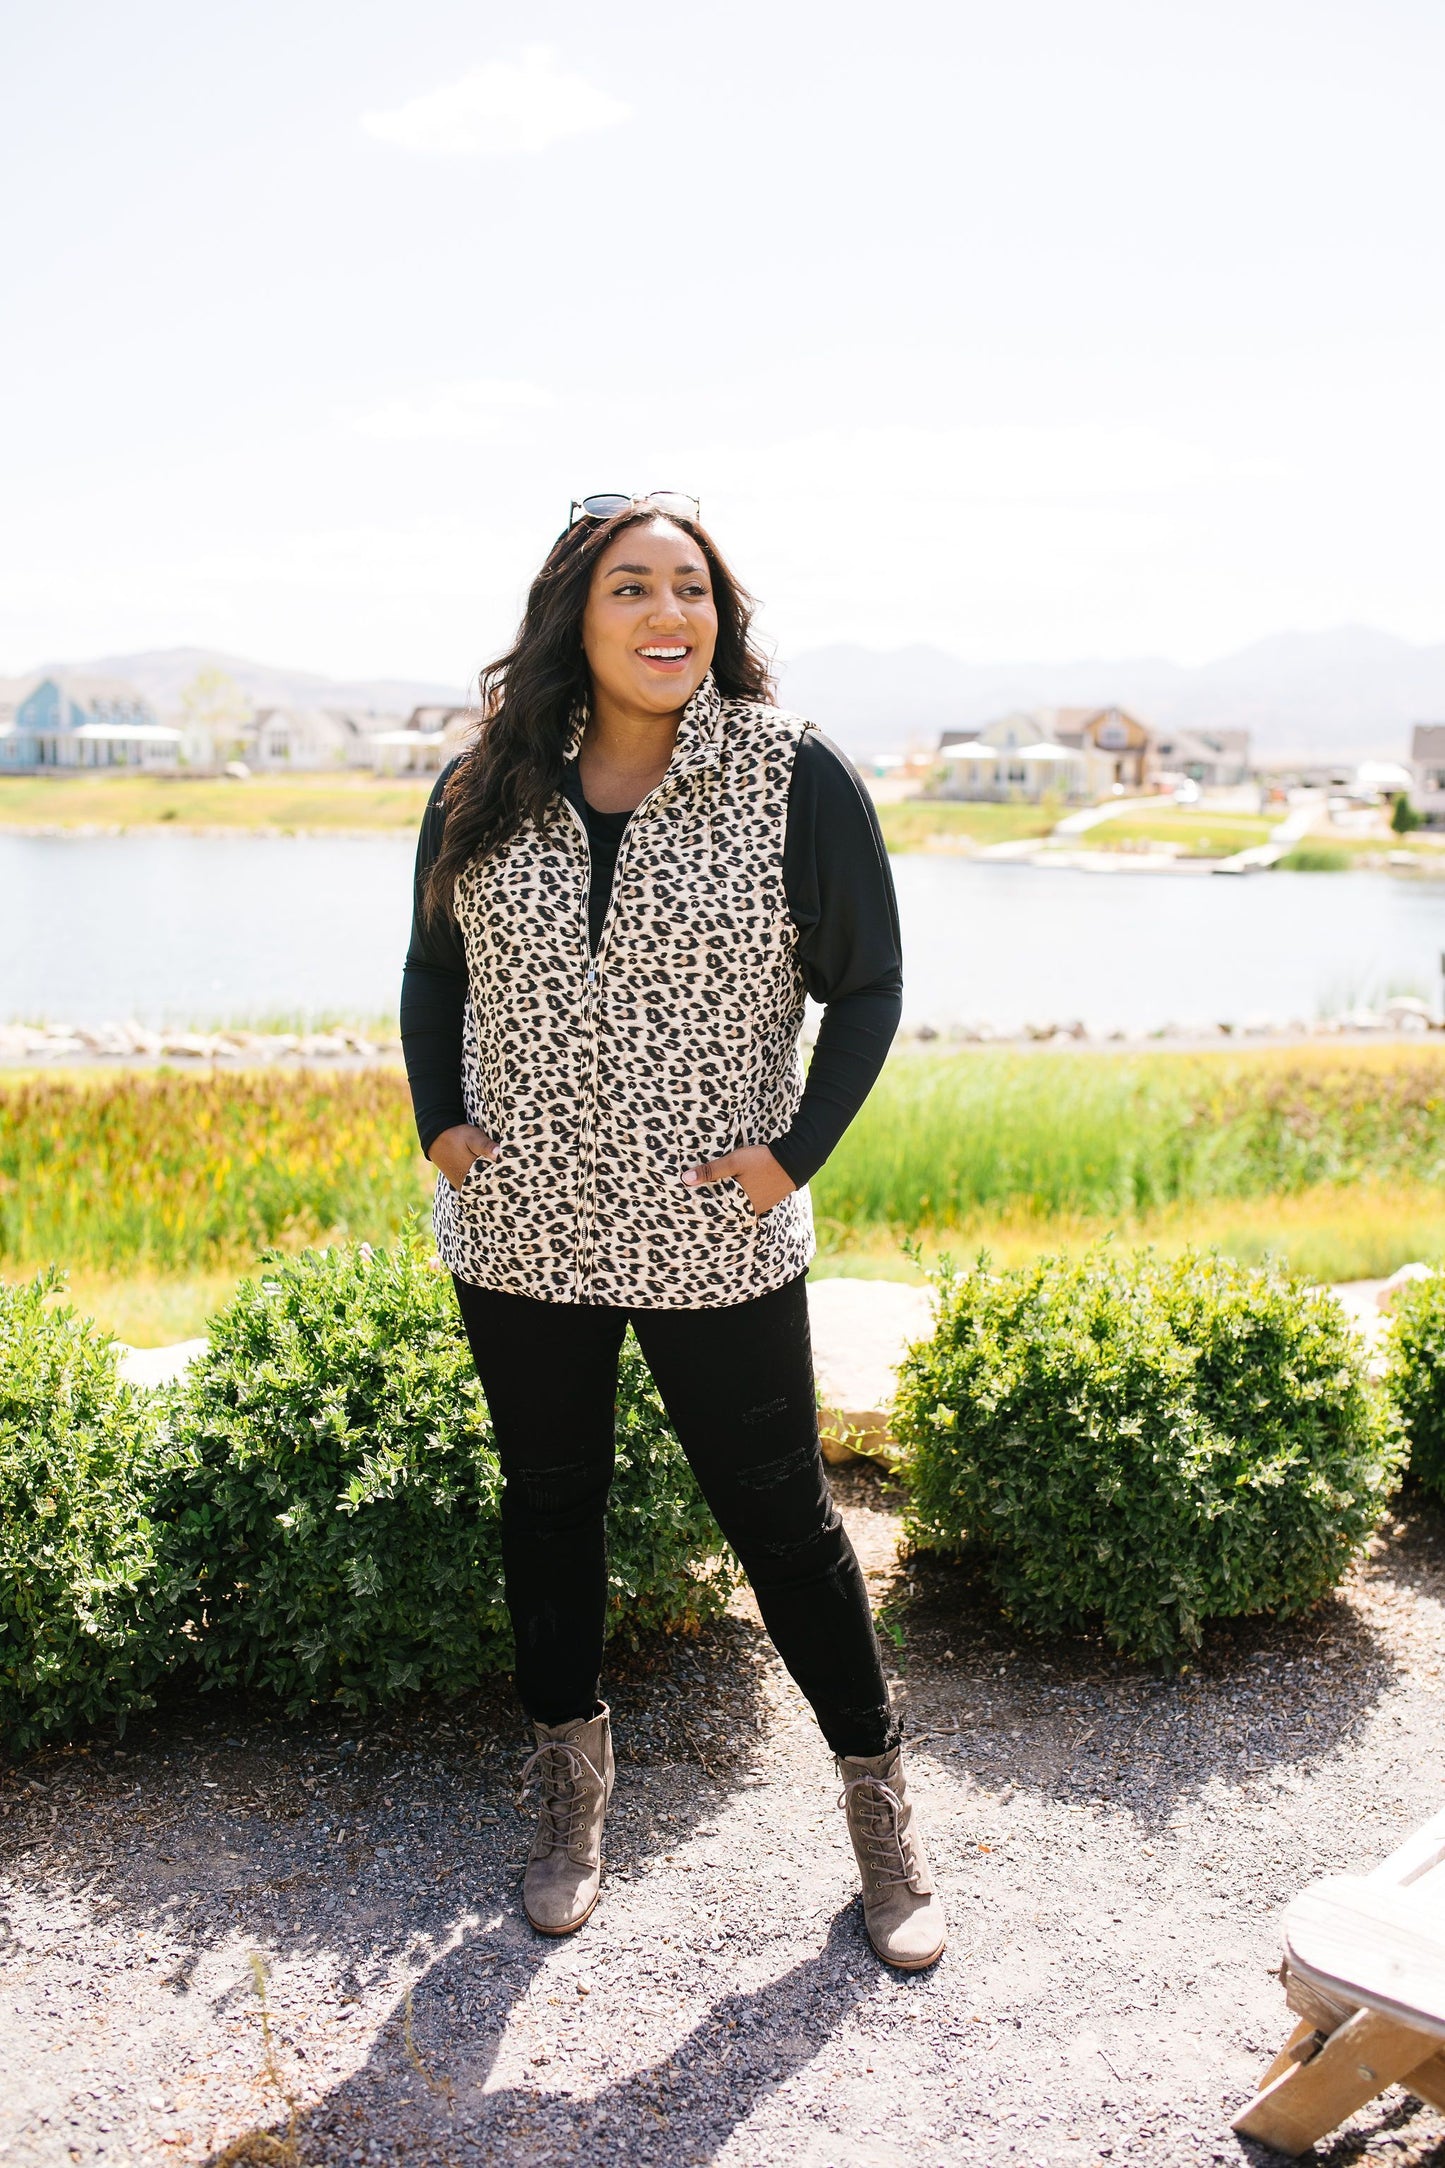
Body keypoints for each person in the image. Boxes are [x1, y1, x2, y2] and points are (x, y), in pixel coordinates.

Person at [400, 491, 945, 1971]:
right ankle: (569, 1800)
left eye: (690, 589)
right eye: (631, 588)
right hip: (522, 1230)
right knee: (549, 1505)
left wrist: (791, 1156)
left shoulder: (793, 777)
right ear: (575, 616)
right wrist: (437, 1122)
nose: (666, 615)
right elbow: (432, 968)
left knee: (782, 1523)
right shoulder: (482, 786)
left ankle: (881, 1820)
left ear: (722, 618)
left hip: (716, 1235)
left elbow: (872, 984)